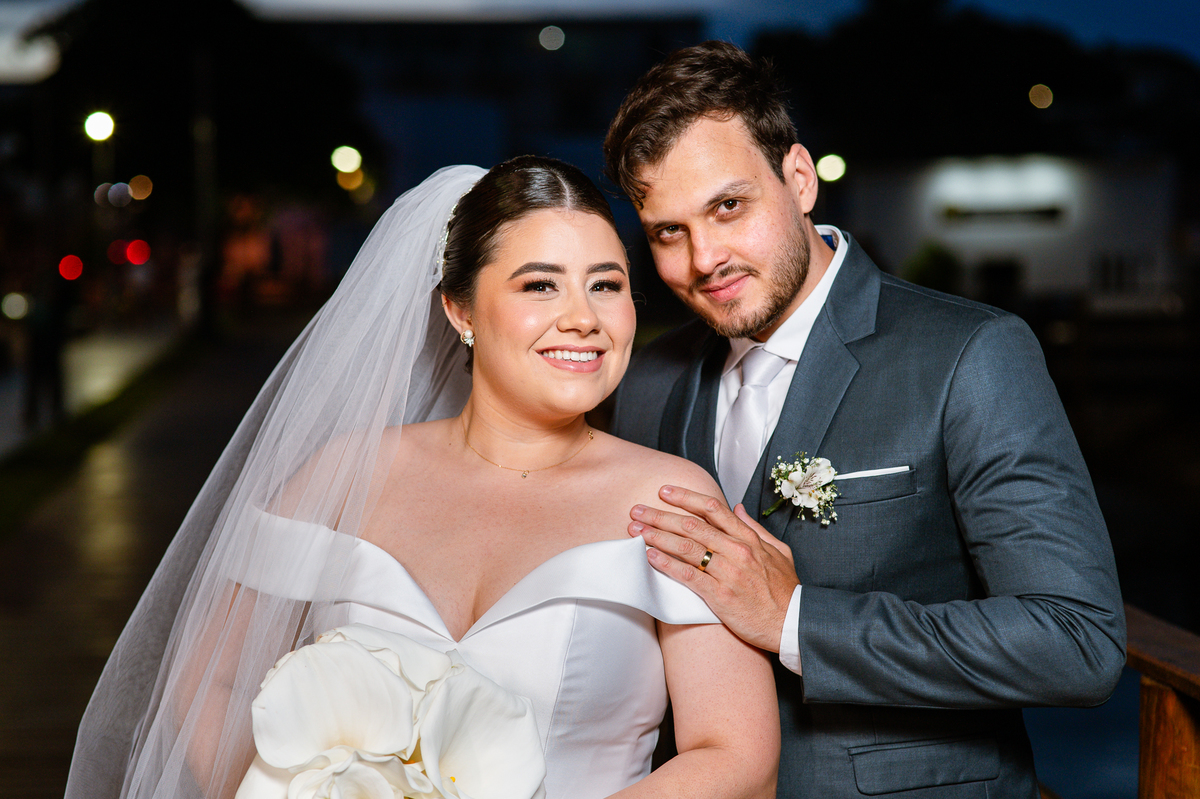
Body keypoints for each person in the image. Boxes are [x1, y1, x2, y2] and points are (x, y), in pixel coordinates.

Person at [65, 157, 779, 799]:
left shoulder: (670, 499)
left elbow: (738, 755)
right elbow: (206, 677)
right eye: (540, 284)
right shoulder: (346, 474)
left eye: (606, 285)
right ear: (459, 308)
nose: (583, 318)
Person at [604, 41, 1125, 799]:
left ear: (799, 178)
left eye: (728, 207)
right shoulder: (649, 380)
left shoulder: (971, 353)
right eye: (667, 232)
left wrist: (796, 619)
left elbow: (1078, 641)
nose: (704, 257)